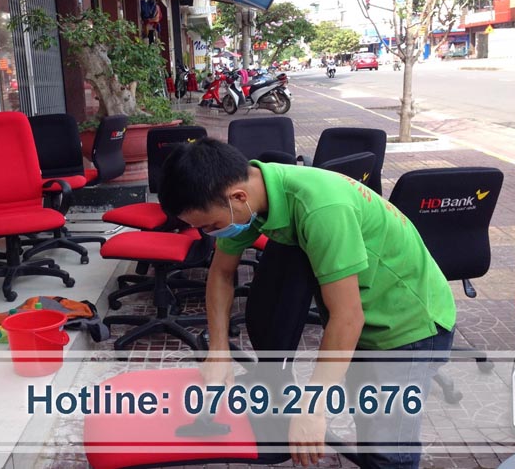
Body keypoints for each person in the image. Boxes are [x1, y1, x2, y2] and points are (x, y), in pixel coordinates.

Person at [158, 138, 456, 468]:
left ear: (237, 197)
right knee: (371, 420)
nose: (212, 234)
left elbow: (348, 317)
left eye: (212, 226)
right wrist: (218, 350)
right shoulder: (254, 194)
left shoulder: (321, 209)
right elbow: (221, 274)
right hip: (365, 317)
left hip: (410, 324)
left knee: (390, 447)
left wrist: (312, 408)